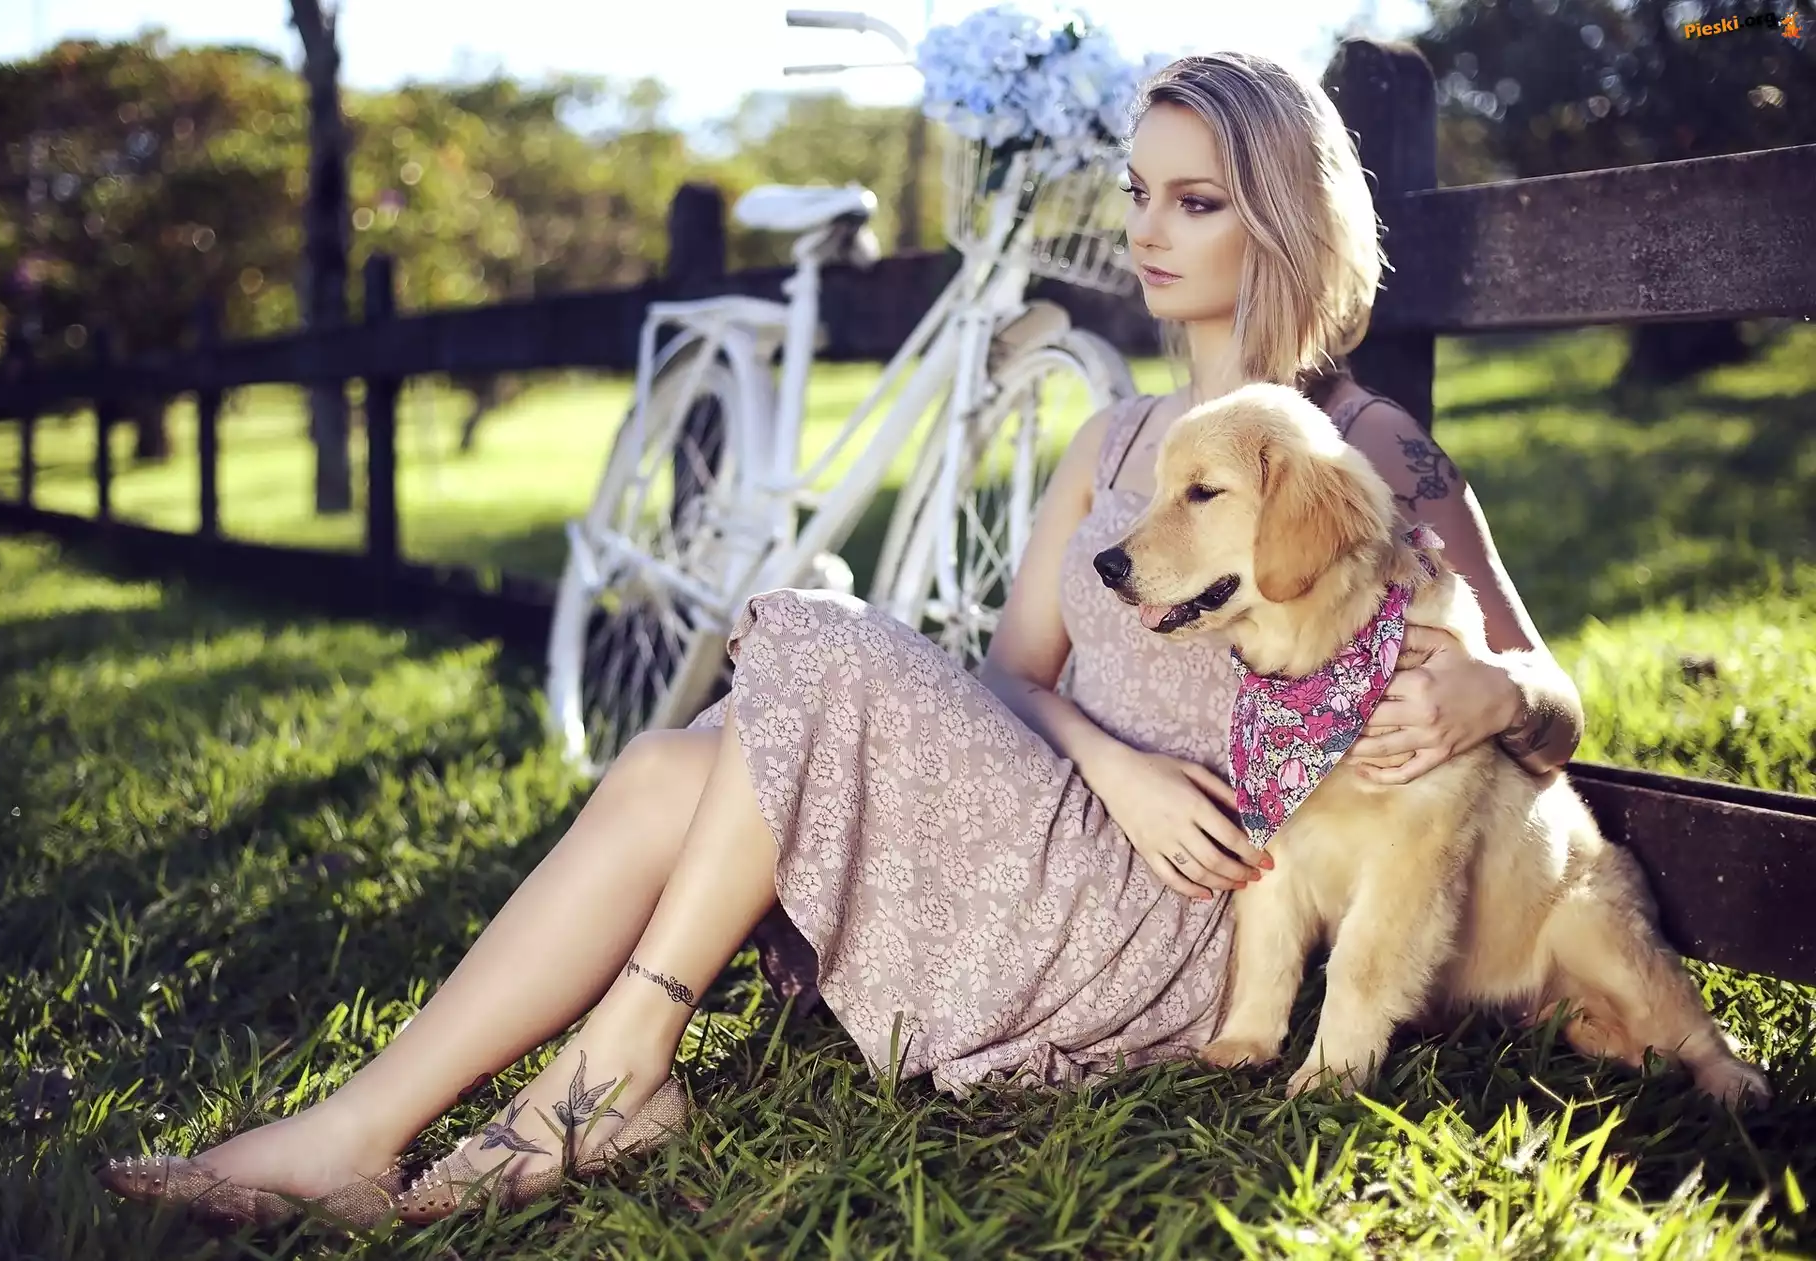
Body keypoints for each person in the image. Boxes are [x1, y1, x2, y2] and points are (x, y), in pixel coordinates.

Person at [99, 50, 1586, 1227]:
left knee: (812, 632)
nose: (1146, 229)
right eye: (1138, 191)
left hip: (1194, 914)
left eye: (1195, 200)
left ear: (1284, 216)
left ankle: (621, 1063)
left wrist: (1488, 691)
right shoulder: (1114, 441)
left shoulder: (1361, 446)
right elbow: (1014, 677)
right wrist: (1112, 766)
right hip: (1073, 823)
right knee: (670, 769)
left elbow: (1551, 692)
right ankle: (362, 1132)